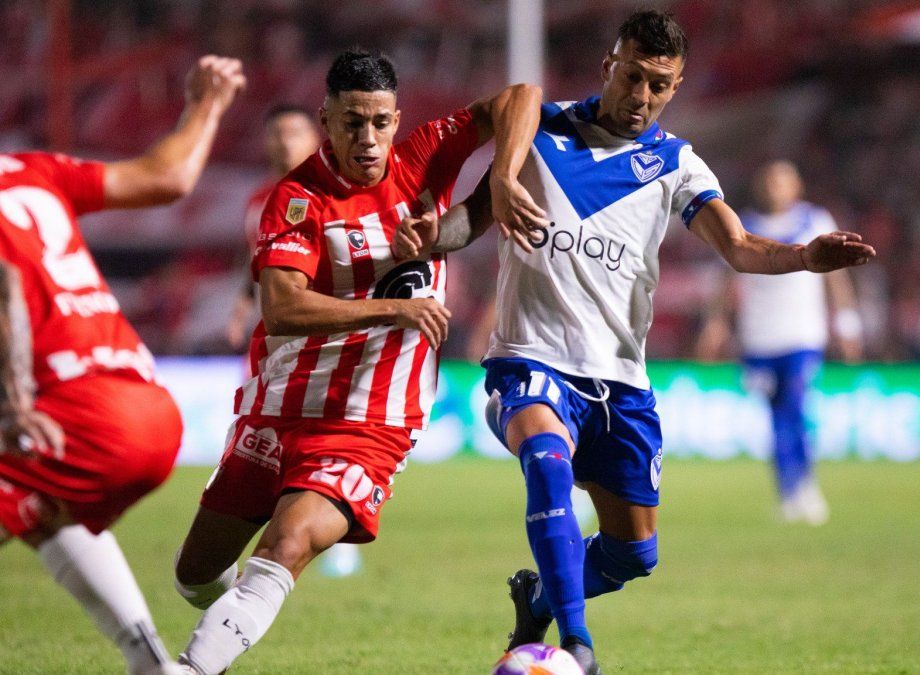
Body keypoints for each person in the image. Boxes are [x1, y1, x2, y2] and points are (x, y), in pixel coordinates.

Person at [429, 10, 876, 673]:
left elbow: (741, 246)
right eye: (632, 77)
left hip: (621, 381)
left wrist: (806, 256)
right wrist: (415, 234)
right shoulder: (542, 130)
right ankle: (577, 648)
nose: (641, 97)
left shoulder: (674, 163)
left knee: (634, 553)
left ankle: (541, 599)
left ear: (676, 86)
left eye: (659, 85)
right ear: (610, 66)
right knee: (548, 459)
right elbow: (473, 200)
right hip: (532, 357)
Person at [171, 50, 544, 674]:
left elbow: (522, 96)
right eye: (350, 123)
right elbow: (284, 308)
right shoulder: (296, 199)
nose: (366, 139)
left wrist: (501, 179)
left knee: (288, 541)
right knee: (194, 576)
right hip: (279, 407)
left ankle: (190, 667)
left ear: (396, 120)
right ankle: (228, 625)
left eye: (378, 122)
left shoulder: (424, 155)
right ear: (326, 119)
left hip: (369, 420)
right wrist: (391, 311)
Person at [0, 55, 245, 674]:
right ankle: (150, 663)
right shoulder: (32, 170)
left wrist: (12, 403)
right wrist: (208, 102)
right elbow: (167, 178)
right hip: (147, 404)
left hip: (77, 412)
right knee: (46, 508)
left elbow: (3, 284)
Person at [696, 160, 864, 525]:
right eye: (768, 179)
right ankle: (789, 490)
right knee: (776, 418)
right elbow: (723, 283)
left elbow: (836, 279)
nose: (774, 186)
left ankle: (806, 485)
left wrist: (848, 324)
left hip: (803, 335)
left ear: (797, 186)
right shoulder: (744, 228)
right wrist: (716, 324)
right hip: (759, 339)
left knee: (797, 409)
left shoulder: (815, 221)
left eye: (782, 180)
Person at [225, 104, 321, 350]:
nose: (286, 142)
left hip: (317, 325)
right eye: (278, 133)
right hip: (268, 328)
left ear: (314, 137)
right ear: (266, 141)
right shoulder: (258, 200)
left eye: (295, 133)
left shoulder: (328, 194)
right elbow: (254, 256)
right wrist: (241, 310)